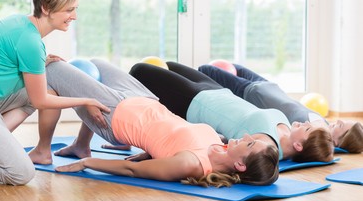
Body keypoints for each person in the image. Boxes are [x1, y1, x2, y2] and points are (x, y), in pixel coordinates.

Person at [30, 59, 279, 187]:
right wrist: (151, 153)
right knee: (95, 62)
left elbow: (132, 170)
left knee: (51, 70)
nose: (247, 136)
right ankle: (80, 144)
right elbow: (174, 135)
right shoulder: (220, 145)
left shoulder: (191, 164)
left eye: (249, 144)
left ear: (240, 165)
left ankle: (43, 150)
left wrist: (89, 163)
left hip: (114, 116)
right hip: (144, 99)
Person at [0, 0, 110, 185]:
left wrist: (39, 64)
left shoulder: (20, 23)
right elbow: (41, 101)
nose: (74, 16)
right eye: (69, 10)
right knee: (21, 173)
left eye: (75, 9)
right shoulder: (31, 43)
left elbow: (3, 65)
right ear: (45, 8)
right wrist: (87, 100)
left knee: (47, 88)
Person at [129, 61, 334, 163]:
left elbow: (216, 148)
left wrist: (154, 151)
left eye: (307, 130)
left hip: (194, 101)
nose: (306, 124)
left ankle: (121, 123)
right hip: (217, 91)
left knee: (139, 70)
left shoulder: (263, 145)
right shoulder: (288, 129)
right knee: (170, 65)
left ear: (298, 146)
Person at [198, 63, 363, 153]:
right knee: (234, 66)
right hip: (267, 86)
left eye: (341, 126)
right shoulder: (323, 124)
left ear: (335, 141)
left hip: (252, 92)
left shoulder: (308, 133)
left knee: (206, 70)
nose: (338, 120)